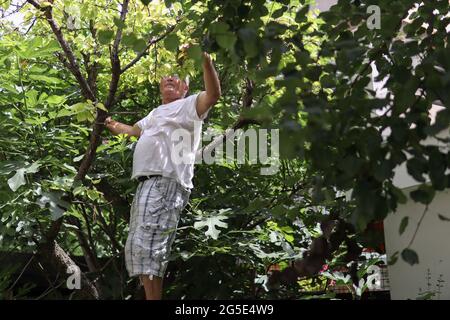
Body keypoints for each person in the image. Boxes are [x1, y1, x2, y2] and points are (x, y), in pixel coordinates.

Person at [105, 52, 221, 300]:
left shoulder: (188, 105)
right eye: (166, 75)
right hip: (148, 184)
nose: (170, 78)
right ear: (159, 84)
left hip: (165, 182)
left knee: (149, 247)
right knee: (139, 248)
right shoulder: (155, 113)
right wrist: (112, 125)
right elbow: (134, 131)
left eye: (176, 77)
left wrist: (205, 62)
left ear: (185, 87)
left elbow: (213, 95)